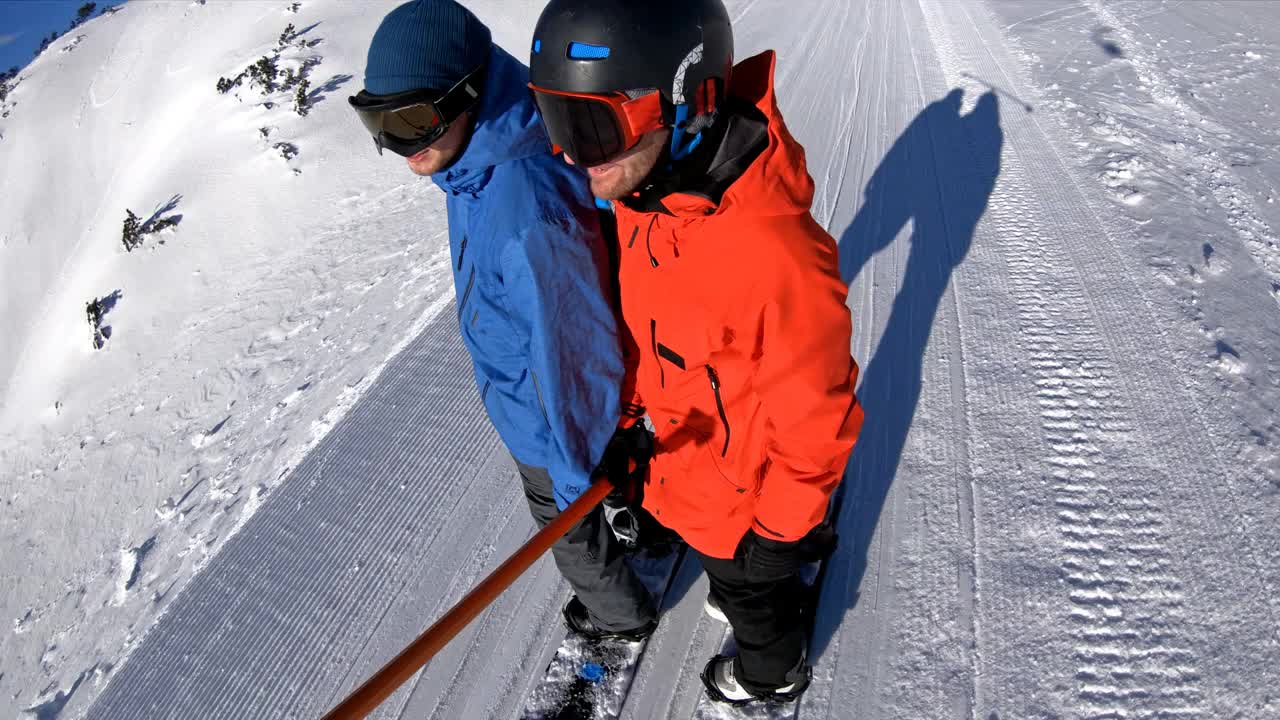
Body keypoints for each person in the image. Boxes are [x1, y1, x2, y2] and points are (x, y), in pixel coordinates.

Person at [529, 0, 863, 704]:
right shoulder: (643, 201)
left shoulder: (775, 255)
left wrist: (780, 533)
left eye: (592, 128)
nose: (568, 154)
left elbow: (818, 421)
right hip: (690, 482)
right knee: (719, 563)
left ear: (685, 104)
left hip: (750, 512)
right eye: (555, 119)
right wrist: (626, 427)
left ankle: (770, 674)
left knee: (752, 599)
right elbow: (652, 341)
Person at [349, 0, 655, 641]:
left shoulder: (523, 209)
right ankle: (625, 510)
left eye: (410, 121)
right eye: (376, 122)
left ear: (466, 96)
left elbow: (571, 349)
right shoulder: (474, 164)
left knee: (561, 518)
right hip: (535, 397)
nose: (397, 148)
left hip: (547, 422)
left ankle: (618, 614)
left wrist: (573, 472)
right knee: (589, 486)